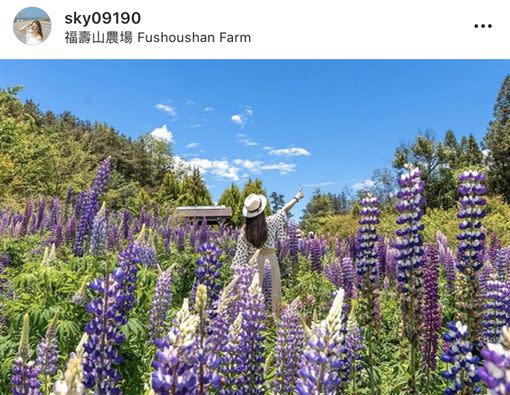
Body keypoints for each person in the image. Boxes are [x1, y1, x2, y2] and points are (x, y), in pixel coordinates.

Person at [232, 188, 304, 313]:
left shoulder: (244, 234)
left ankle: (256, 325)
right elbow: (284, 210)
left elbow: (240, 259)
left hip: (253, 265)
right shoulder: (271, 222)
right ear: (262, 210)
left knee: (254, 298)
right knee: (273, 294)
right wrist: (296, 197)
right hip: (270, 262)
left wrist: (235, 282)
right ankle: (274, 323)